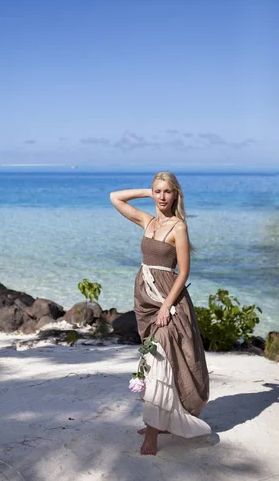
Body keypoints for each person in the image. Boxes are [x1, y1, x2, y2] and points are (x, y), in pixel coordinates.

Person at [110, 171, 211, 456]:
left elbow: (184, 271)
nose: (162, 197)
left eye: (168, 192)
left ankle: (153, 433)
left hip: (169, 299)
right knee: (154, 358)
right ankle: (162, 421)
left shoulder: (178, 227)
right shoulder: (147, 220)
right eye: (158, 192)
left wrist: (167, 305)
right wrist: (148, 191)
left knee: (160, 360)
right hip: (145, 300)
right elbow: (114, 198)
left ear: (176, 194)